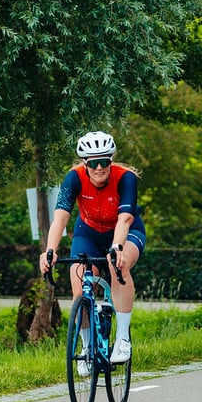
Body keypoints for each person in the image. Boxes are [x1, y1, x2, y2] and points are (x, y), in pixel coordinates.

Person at [39, 131, 147, 367]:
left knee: (117, 263)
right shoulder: (74, 178)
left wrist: (117, 247)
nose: (100, 168)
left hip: (126, 231)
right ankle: (88, 347)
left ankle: (122, 340)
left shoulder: (125, 178)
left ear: (111, 160)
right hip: (88, 232)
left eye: (105, 162)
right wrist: (50, 250)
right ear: (85, 164)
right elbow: (59, 219)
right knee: (79, 284)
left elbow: (125, 219)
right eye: (94, 163)